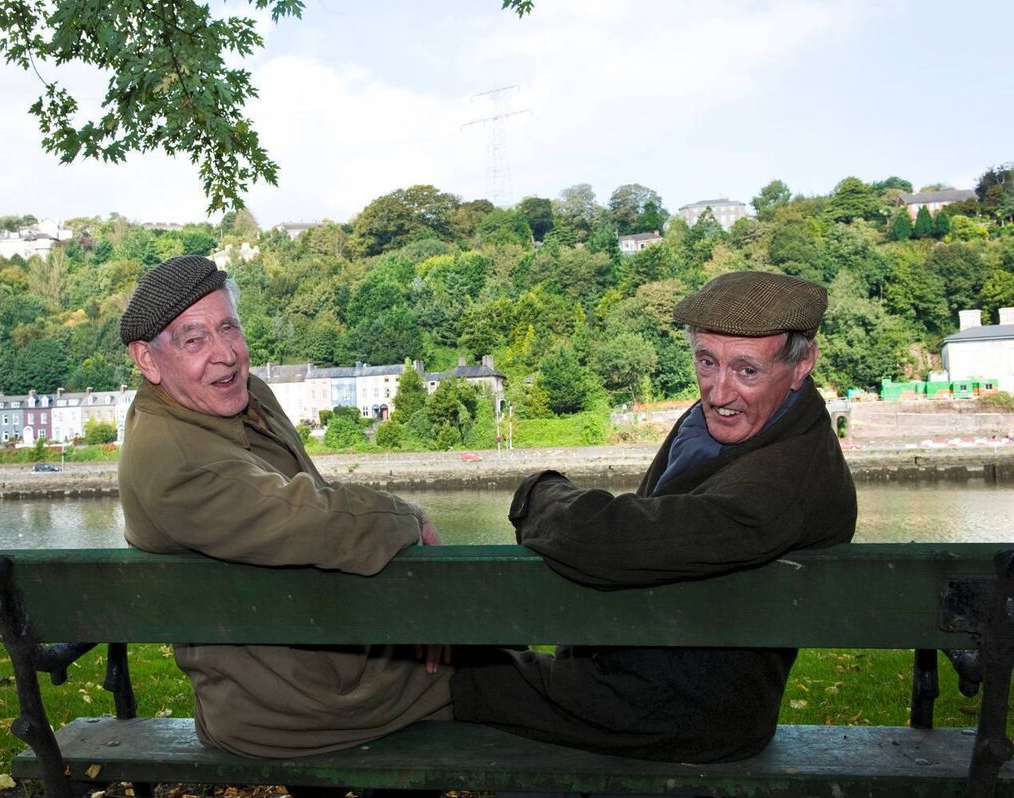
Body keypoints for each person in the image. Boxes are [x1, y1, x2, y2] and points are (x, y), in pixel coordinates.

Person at [449, 270, 858, 763]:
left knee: (428, 678)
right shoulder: (738, 423)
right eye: (706, 362)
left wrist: (537, 491)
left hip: (676, 714)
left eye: (747, 371)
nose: (719, 392)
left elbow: (603, 542)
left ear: (802, 364)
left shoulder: (779, 486)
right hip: (646, 678)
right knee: (440, 665)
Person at [118, 254, 452, 759]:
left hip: (322, 665)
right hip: (297, 704)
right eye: (194, 340)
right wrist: (410, 518)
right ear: (146, 359)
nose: (226, 355)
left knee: (511, 671)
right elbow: (313, 520)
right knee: (524, 684)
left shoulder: (244, 396)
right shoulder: (177, 462)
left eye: (229, 328)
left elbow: (316, 498)